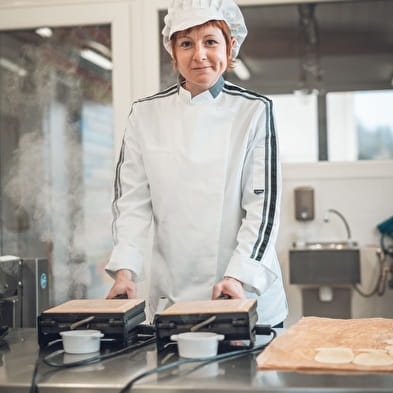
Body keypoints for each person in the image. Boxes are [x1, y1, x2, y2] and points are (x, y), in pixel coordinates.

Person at [105, 0, 288, 327]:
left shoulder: (254, 111)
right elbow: (131, 202)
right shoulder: (145, 115)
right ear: (172, 52)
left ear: (230, 48)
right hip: (174, 293)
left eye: (210, 42)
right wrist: (125, 271)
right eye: (186, 43)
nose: (199, 54)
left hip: (240, 292)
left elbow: (263, 208)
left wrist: (237, 278)